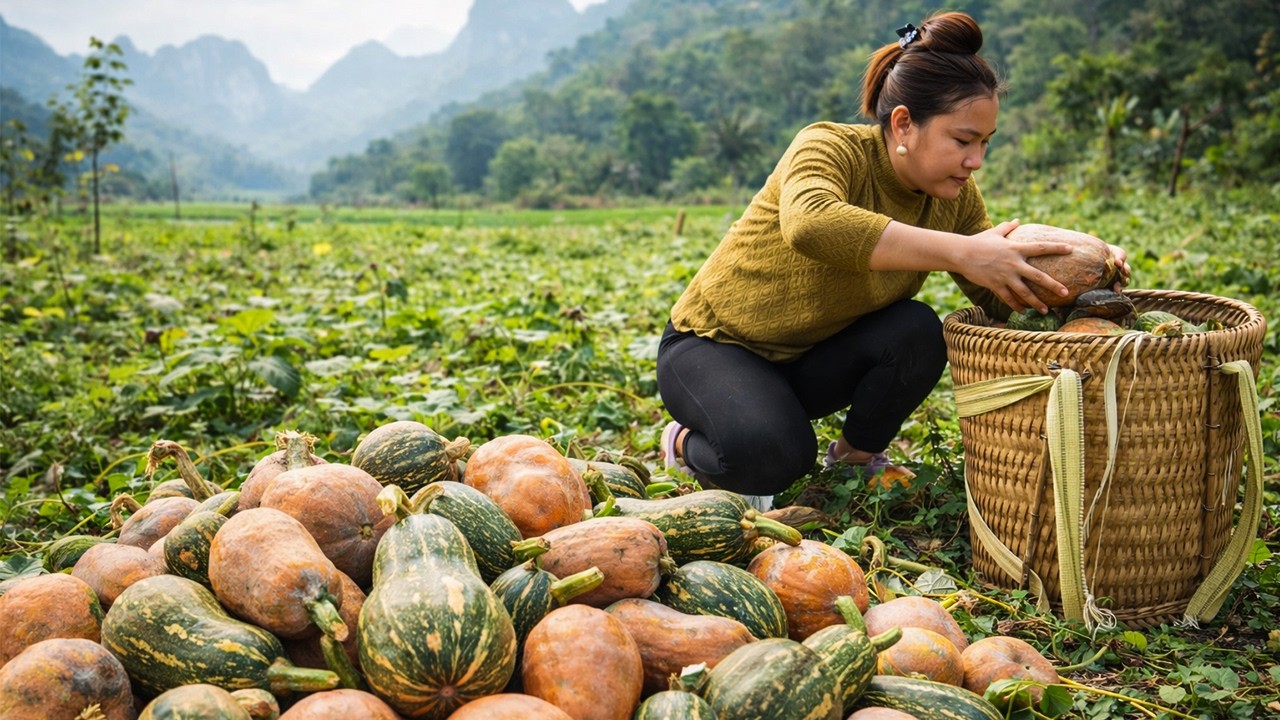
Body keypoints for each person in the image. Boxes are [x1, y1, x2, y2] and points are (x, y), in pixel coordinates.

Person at [656, 11, 1130, 511]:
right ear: (904, 123)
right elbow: (811, 224)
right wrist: (962, 251)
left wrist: (1086, 270)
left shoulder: (956, 199)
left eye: (985, 143)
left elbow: (998, 293)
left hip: (807, 362)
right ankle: (683, 441)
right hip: (715, 348)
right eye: (963, 140)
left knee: (915, 328)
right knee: (775, 455)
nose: (976, 161)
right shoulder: (830, 147)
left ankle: (855, 457)